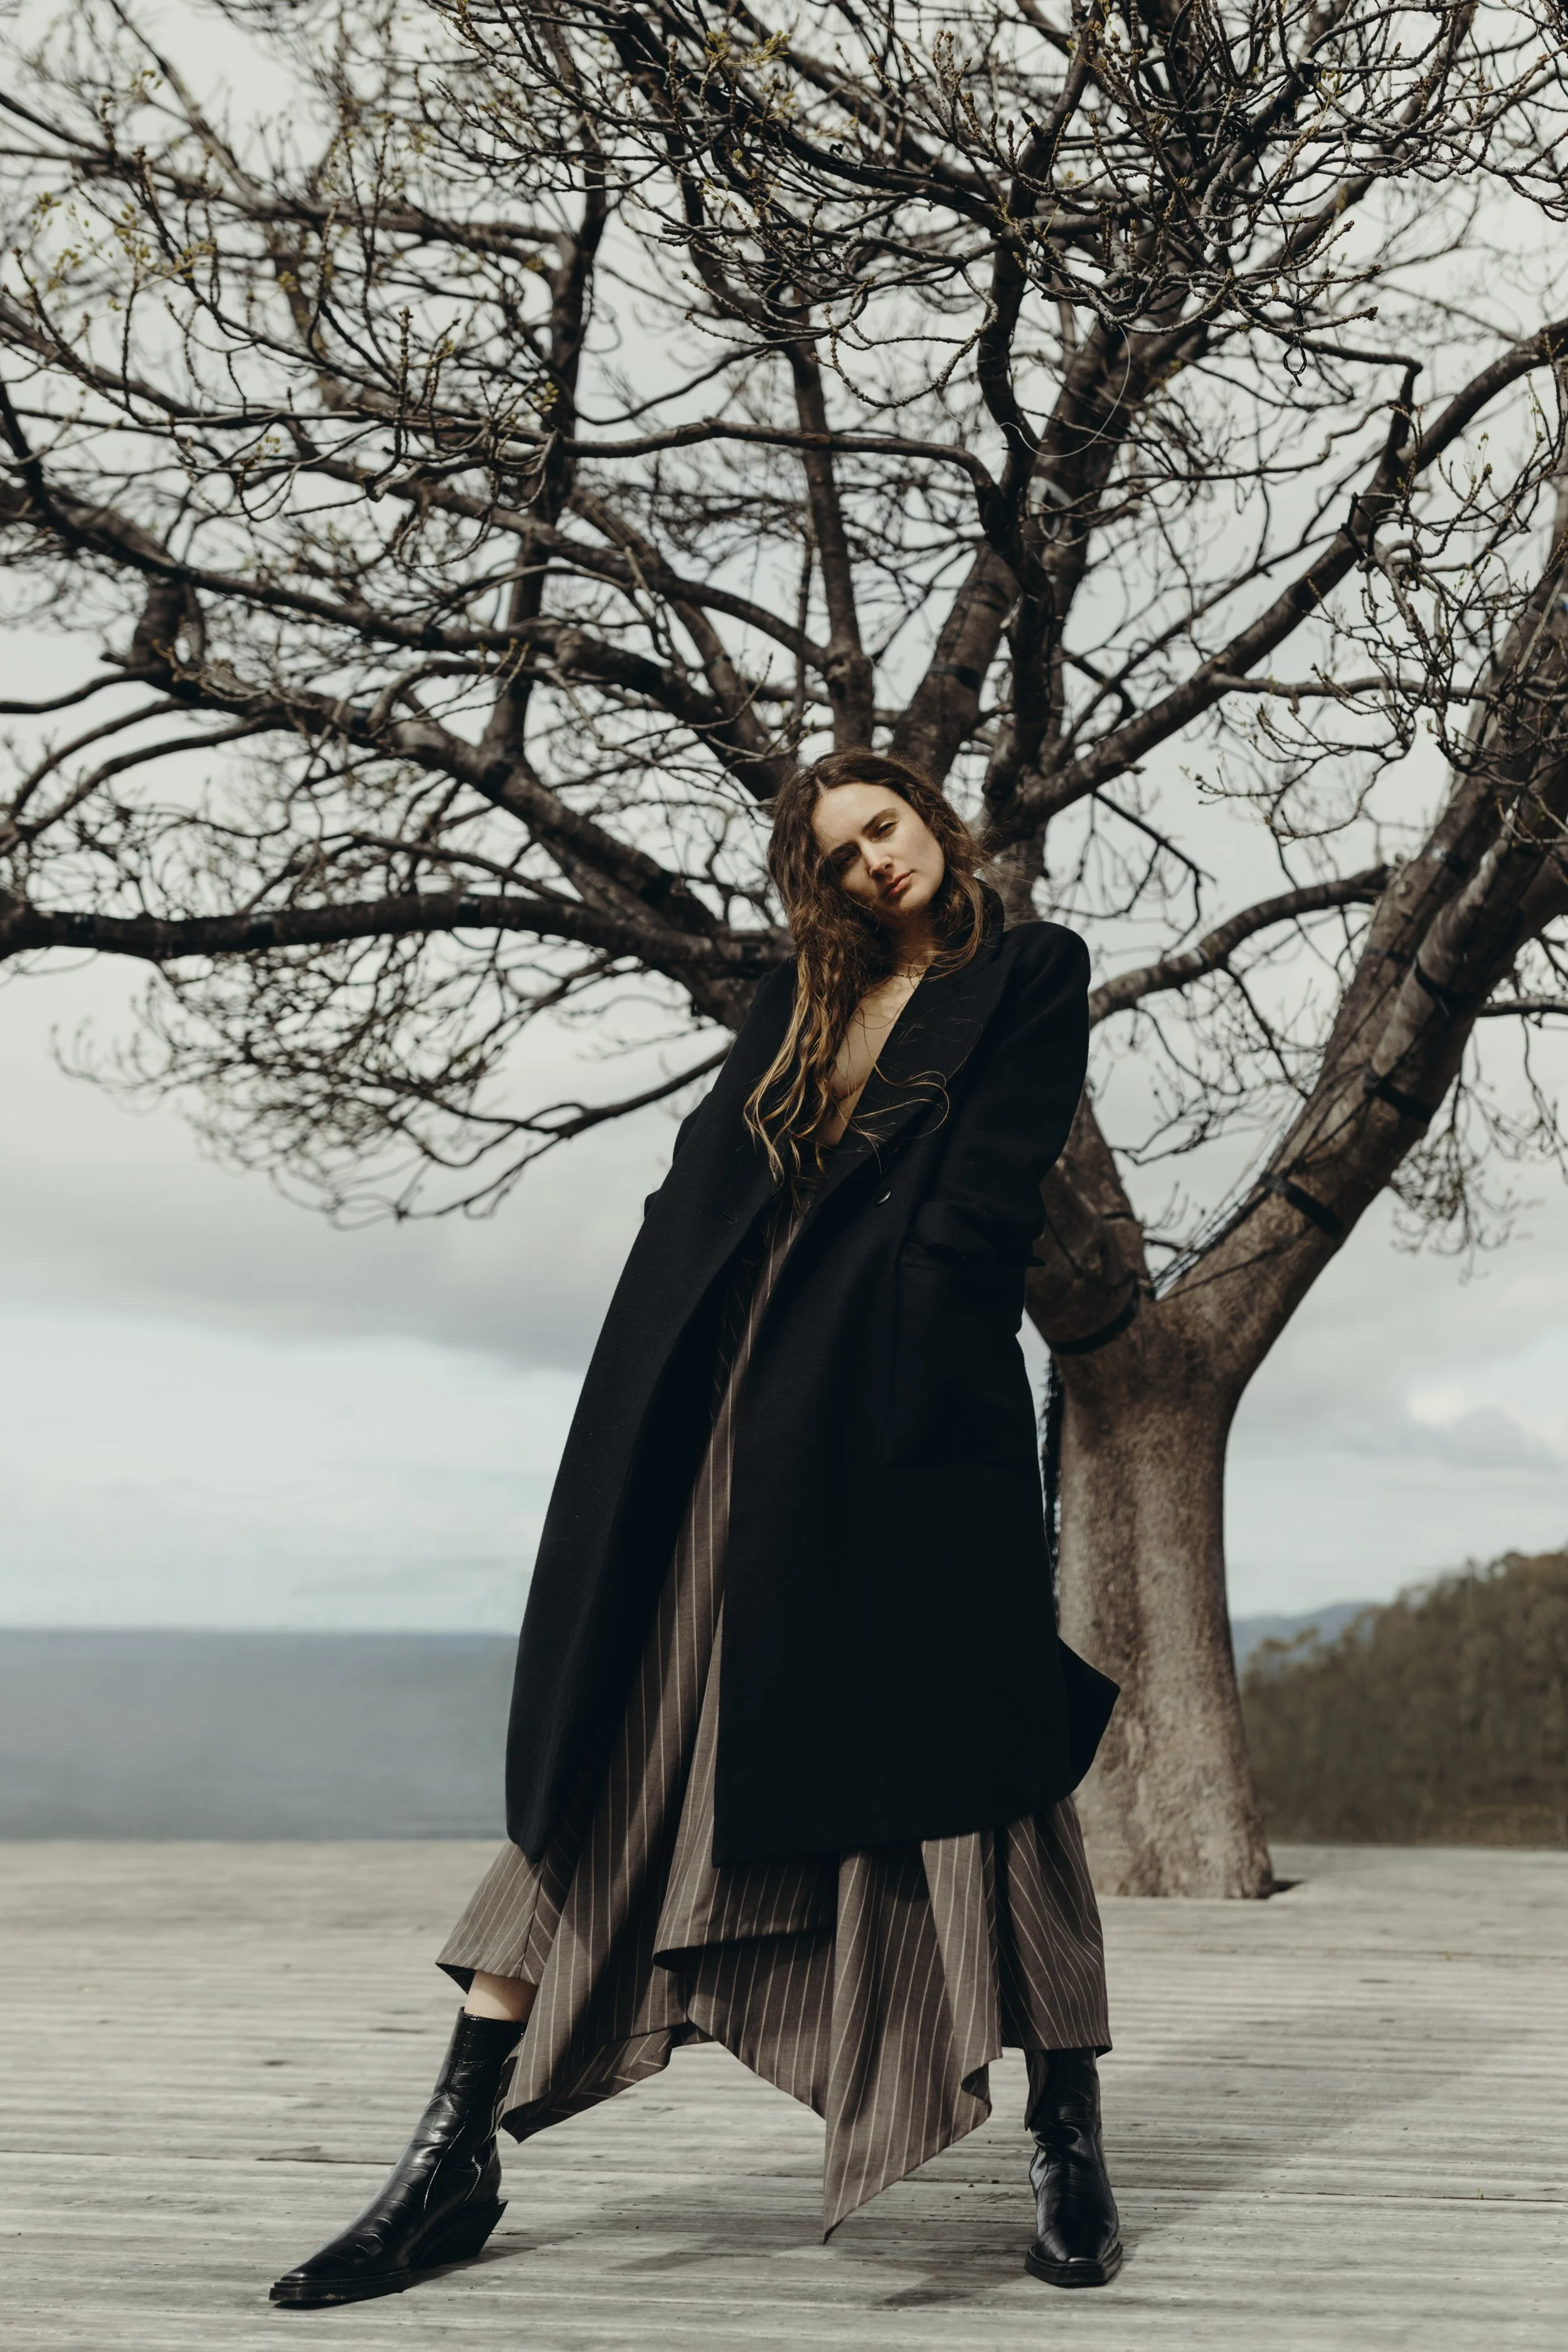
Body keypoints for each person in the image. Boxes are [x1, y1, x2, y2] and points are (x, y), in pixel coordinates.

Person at [268, 750, 1123, 2309]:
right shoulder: (795, 995)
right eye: (841, 849)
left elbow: (985, 1195)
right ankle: (453, 2148)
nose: (874, 862)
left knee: (982, 1745)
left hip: (905, 1408)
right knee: (618, 1742)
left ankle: (1066, 2129)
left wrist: (909, 1360)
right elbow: (698, 1192)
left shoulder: (1026, 971)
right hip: (723, 1398)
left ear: (932, 820)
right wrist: (649, 1380)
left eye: (888, 826)